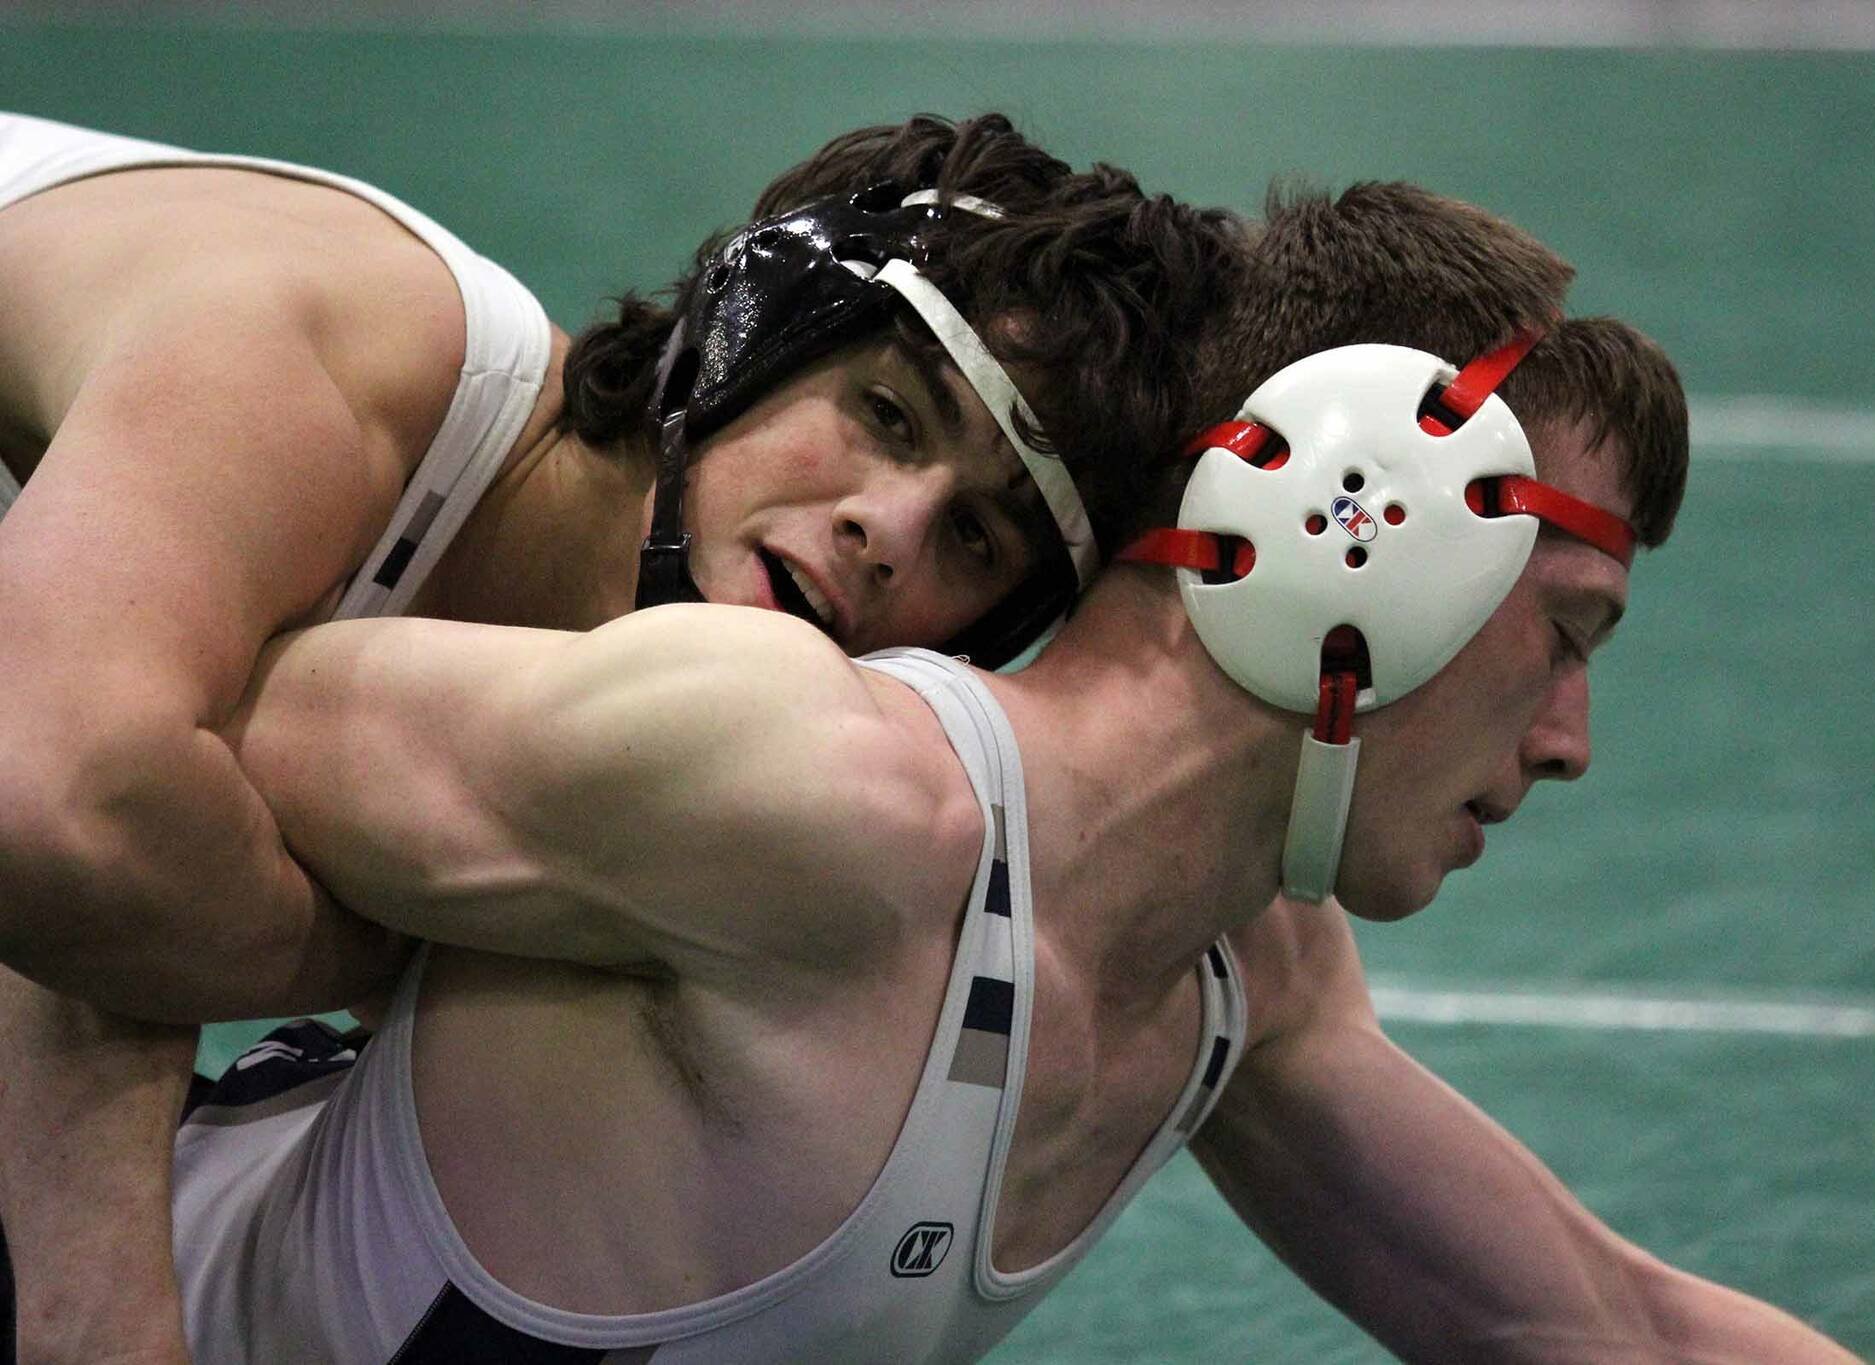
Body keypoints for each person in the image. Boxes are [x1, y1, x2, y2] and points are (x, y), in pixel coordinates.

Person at [167, 310, 1859, 1363]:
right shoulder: (810, 792)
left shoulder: (1232, 980)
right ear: (1364, 541)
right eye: (1563, 635)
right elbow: (107, 746)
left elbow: (1596, 1330)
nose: (1568, 743)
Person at [0, 109, 1238, 1361]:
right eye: (887, 416)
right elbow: (58, 811)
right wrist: (103, 1313)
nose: (890, 528)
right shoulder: (351, 336)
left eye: (976, 537)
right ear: (755, 325)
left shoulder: (670, 748)